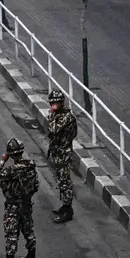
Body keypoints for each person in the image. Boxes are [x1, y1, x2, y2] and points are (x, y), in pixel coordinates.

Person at [0, 137, 38, 258]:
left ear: (11, 154)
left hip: (13, 205)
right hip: (26, 203)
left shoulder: (12, 170)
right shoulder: (31, 167)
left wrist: (2, 160)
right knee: (27, 229)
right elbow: (36, 185)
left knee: (11, 232)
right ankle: (31, 256)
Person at [47, 89, 79, 223]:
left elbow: (53, 129)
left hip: (63, 153)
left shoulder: (65, 117)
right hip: (58, 151)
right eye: (52, 103)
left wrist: (51, 114)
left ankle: (68, 210)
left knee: (65, 182)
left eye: (56, 103)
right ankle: (65, 206)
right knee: (61, 180)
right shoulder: (60, 115)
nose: (54, 105)